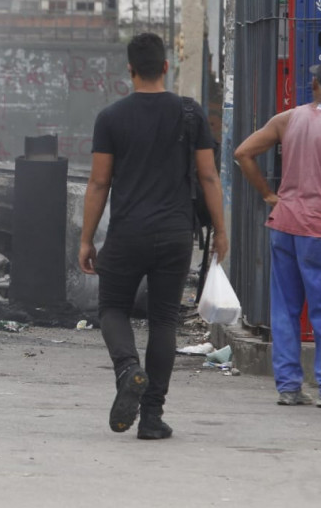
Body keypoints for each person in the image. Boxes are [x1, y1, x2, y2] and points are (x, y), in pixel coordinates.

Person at [78, 33, 228, 440]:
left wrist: (86, 239)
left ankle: (128, 369)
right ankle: (152, 418)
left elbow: (98, 183)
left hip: (127, 233)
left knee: (112, 308)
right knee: (164, 320)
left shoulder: (110, 118)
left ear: (129, 70)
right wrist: (222, 231)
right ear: (165, 67)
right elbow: (209, 175)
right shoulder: (190, 113)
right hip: (175, 233)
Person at [233, 59, 321, 409]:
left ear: (314, 86)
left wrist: (268, 194)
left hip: (284, 226)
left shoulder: (287, 119)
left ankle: (289, 388)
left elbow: (243, 153)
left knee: (285, 309)